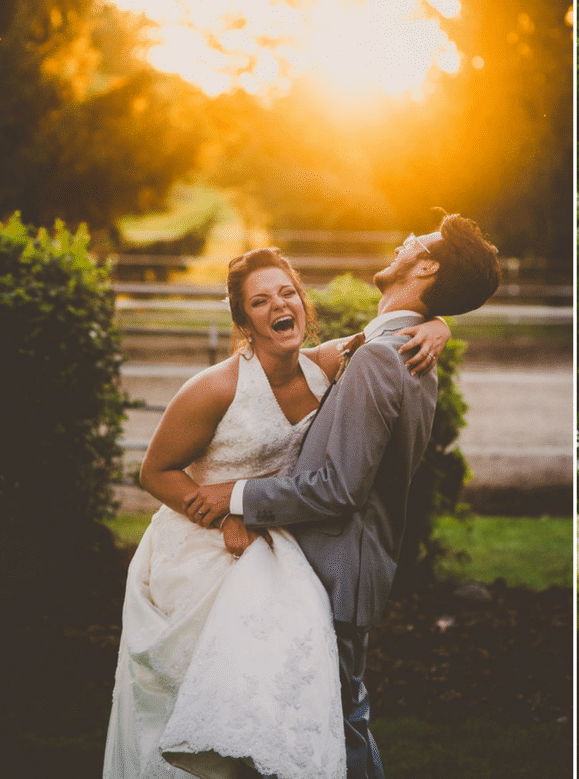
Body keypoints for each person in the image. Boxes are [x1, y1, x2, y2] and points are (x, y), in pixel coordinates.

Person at [103, 246, 450, 779]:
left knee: (301, 702)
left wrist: (438, 326)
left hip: (276, 543)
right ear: (243, 321)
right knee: (216, 699)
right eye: (260, 301)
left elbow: (390, 329)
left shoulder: (328, 363)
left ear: (303, 304)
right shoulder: (215, 388)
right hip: (205, 548)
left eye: (287, 293)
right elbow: (154, 473)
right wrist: (227, 516)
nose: (278, 306)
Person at [185, 212, 502, 779]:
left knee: (338, 727)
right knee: (320, 725)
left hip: (336, 572)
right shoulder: (393, 344)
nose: (406, 238)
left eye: (419, 240)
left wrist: (233, 493)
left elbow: (336, 487)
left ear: (426, 265)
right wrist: (440, 322)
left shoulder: (387, 357)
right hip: (333, 569)